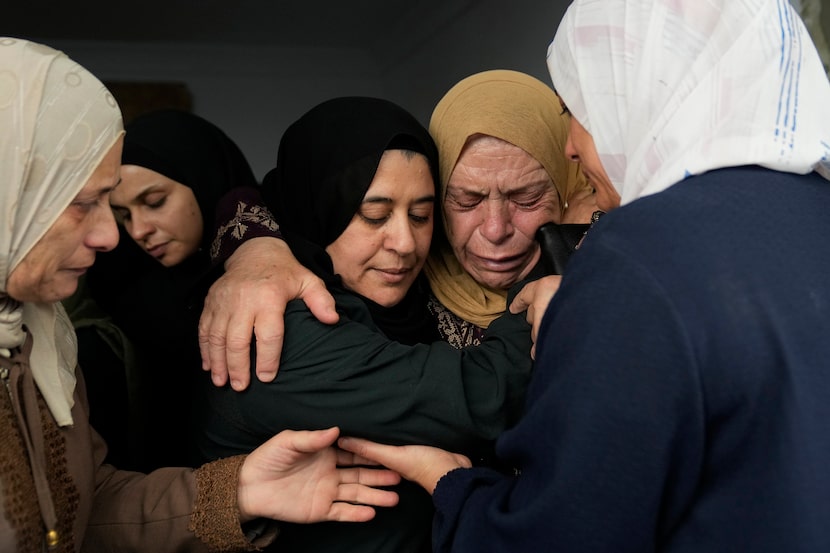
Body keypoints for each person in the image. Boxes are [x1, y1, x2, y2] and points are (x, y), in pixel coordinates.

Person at [338, 1, 830, 551]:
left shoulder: (637, 258)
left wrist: (452, 486)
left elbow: (564, 533)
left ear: (634, 96)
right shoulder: (816, 212)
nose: (572, 145)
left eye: (579, 108)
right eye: (464, 200)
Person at [0, 37, 399, 553]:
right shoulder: (96, 321)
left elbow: (84, 509)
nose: (114, 237)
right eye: (84, 203)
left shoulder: (44, 340)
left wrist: (240, 492)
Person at [194, 96, 538, 553]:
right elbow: (488, 394)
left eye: (421, 215)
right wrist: (552, 283)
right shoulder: (276, 327)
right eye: (373, 216)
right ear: (316, 205)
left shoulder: (424, 299)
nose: (404, 243)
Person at [198, 70, 597, 388]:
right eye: (466, 201)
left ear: (568, 184)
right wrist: (257, 252)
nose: (495, 230)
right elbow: (257, 199)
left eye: (526, 200)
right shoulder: (381, 290)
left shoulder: (606, 265)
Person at [64, 109, 268, 471]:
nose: (139, 230)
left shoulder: (272, 270)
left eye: (155, 202)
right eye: (123, 214)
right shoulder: (115, 286)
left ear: (203, 178)